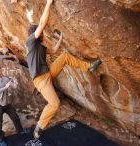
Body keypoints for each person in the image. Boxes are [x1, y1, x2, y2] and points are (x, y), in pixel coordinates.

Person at [25, 0, 102, 139]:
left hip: (48, 74)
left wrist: (60, 39)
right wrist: (48, 4)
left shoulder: (41, 47)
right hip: (41, 80)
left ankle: (89, 67)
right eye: (40, 32)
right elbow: (42, 24)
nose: (41, 33)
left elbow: (54, 50)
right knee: (55, 104)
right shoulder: (30, 42)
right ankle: (40, 126)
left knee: (64, 56)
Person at [0, 64, 26, 146]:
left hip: (7, 103)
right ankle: (1, 140)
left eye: (0, 68)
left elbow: (14, 86)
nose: (0, 69)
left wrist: (15, 82)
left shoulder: (5, 78)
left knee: (15, 118)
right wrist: (5, 87)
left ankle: (21, 131)